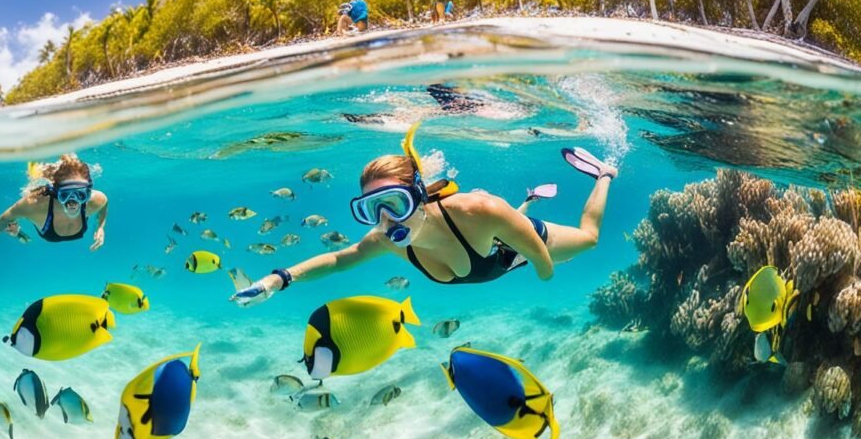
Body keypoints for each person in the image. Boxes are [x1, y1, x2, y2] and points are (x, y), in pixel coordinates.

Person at [231, 123, 617, 307]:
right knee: (503, 230)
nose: (386, 220)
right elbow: (338, 259)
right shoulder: (386, 239)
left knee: (589, 239)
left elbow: (537, 255)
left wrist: (546, 273)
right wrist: (277, 280)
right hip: (493, 238)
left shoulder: (478, 210)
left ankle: (604, 173)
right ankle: (526, 203)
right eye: (372, 209)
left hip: (516, 244)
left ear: (417, 195)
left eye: (394, 203)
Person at [0, 154, 108, 251]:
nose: (73, 202)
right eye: (65, 194)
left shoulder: (97, 200)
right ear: (57, 192)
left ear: (88, 192)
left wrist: (100, 227)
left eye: (80, 194)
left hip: (47, 228)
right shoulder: (34, 204)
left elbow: (104, 206)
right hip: (43, 221)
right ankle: (17, 231)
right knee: (13, 224)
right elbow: (7, 216)